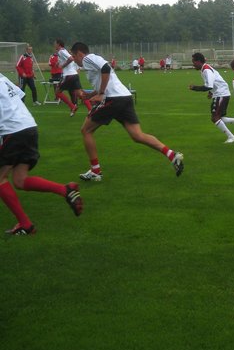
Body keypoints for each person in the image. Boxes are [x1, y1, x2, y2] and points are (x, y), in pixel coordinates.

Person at [70, 42, 184, 180]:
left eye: (73, 55)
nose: (73, 59)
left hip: (112, 99)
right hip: (124, 97)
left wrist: (100, 93)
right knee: (137, 135)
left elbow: (106, 68)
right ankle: (172, 155)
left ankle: (96, 171)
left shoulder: (88, 59)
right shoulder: (92, 61)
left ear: (80, 53)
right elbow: (106, 75)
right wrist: (91, 94)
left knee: (86, 130)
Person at [0, 73, 83, 235]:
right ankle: (65, 189)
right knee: (20, 180)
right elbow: (19, 95)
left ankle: (26, 224)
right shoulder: (2, 77)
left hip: (13, 130)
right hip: (29, 126)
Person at [189, 52, 234, 144]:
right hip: (220, 93)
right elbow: (212, 83)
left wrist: (194, 88)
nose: (193, 64)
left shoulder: (206, 70)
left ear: (199, 61)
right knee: (219, 117)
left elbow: (209, 86)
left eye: (193, 62)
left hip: (221, 94)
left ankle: (231, 136)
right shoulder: (205, 68)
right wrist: (210, 92)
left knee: (215, 118)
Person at [54, 39, 92, 117]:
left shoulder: (61, 51)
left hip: (68, 75)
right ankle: (90, 110)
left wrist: (63, 66)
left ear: (58, 44)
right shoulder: (62, 51)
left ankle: (73, 107)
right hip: (74, 75)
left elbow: (71, 58)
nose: (54, 45)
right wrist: (59, 63)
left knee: (58, 92)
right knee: (80, 94)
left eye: (55, 43)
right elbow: (68, 58)